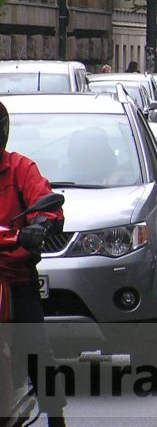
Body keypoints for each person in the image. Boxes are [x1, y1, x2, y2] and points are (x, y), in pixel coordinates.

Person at [0, 102, 66, 426]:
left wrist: (41, 223)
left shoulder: (20, 168)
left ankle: (55, 415)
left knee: (37, 350)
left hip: (14, 277)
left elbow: (45, 204)